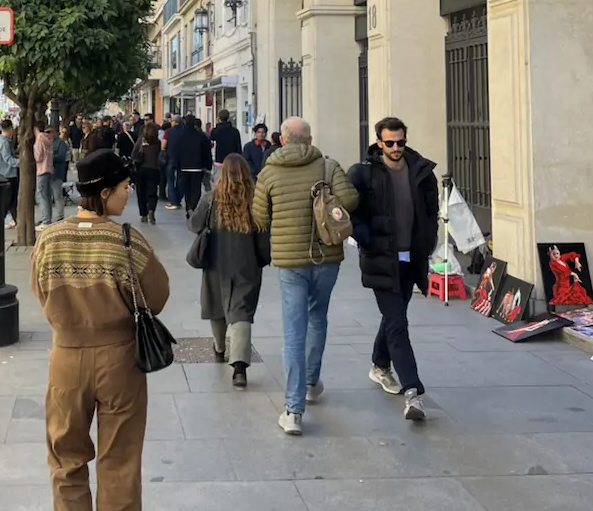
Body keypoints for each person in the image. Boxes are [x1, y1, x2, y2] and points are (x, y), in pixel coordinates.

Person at [31, 149, 170, 511]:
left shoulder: (49, 240)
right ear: (105, 192)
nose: (129, 195)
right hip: (119, 361)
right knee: (119, 465)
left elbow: (39, 291)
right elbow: (158, 295)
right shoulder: (126, 241)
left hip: (66, 360)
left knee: (66, 458)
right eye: (125, 188)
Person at [253, 116, 358, 436]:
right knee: (318, 317)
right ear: (309, 140)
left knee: (293, 331)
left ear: (282, 141)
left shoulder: (269, 172)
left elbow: (259, 217)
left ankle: (293, 409)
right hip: (327, 257)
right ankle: (311, 382)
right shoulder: (328, 166)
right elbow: (351, 200)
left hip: (289, 262)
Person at [348, 116, 439, 423]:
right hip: (380, 258)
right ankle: (413, 392)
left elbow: (431, 212)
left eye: (401, 142)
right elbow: (351, 211)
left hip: (411, 259)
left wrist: (428, 242)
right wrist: (365, 236)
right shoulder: (364, 173)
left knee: (393, 316)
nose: (396, 148)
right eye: (390, 143)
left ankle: (379, 364)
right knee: (398, 323)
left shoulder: (421, 172)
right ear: (379, 142)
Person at [188, 153, 270, 388]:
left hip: (215, 262)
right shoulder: (255, 201)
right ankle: (240, 367)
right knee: (241, 311)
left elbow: (194, 225)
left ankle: (219, 347)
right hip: (247, 264)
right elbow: (264, 237)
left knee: (217, 307)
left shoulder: (211, 199)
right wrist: (262, 258)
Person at [170, 113, 212, 220]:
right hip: (197, 167)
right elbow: (207, 152)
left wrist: (176, 164)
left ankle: (188, 206)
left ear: (184, 122)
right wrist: (208, 165)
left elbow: (175, 151)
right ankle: (192, 206)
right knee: (196, 189)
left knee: (186, 189)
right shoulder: (201, 136)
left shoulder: (180, 136)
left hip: (183, 167)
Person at [132, 121, 162, 223]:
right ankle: (151, 210)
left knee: (141, 192)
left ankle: (143, 214)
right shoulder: (158, 142)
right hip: (154, 169)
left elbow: (134, 154)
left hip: (141, 169)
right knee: (152, 192)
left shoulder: (141, 140)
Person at [0, 118, 19, 229]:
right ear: (10, 129)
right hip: (8, 174)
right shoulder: (5, 142)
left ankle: (15, 220)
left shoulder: (1, 140)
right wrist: (21, 162)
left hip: (4, 173)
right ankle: (1, 220)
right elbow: (8, 159)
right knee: (9, 200)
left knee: (10, 200)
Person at [209, 109, 242, 178]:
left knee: (219, 178)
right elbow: (238, 146)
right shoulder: (235, 131)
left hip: (219, 159)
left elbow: (211, 140)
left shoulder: (216, 131)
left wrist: (217, 124)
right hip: (232, 159)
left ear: (219, 118)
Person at [35, 120, 55, 227]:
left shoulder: (39, 140)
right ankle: (47, 218)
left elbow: (38, 157)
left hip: (41, 170)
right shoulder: (48, 140)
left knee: (41, 196)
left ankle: (45, 220)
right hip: (49, 169)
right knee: (47, 196)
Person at [164, 114, 185, 210]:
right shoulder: (185, 131)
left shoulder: (168, 132)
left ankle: (173, 201)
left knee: (170, 180)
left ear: (174, 121)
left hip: (170, 157)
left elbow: (163, 145)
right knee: (181, 180)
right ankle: (179, 198)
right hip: (182, 158)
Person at [53, 126, 72, 222]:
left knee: (57, 195)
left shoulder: (62, 143)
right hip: (46, 173)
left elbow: (61, 156)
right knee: (46, 196)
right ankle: (46, 218)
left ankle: (60, 215)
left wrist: (48, 156)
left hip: (57, 173)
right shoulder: (47, 142)